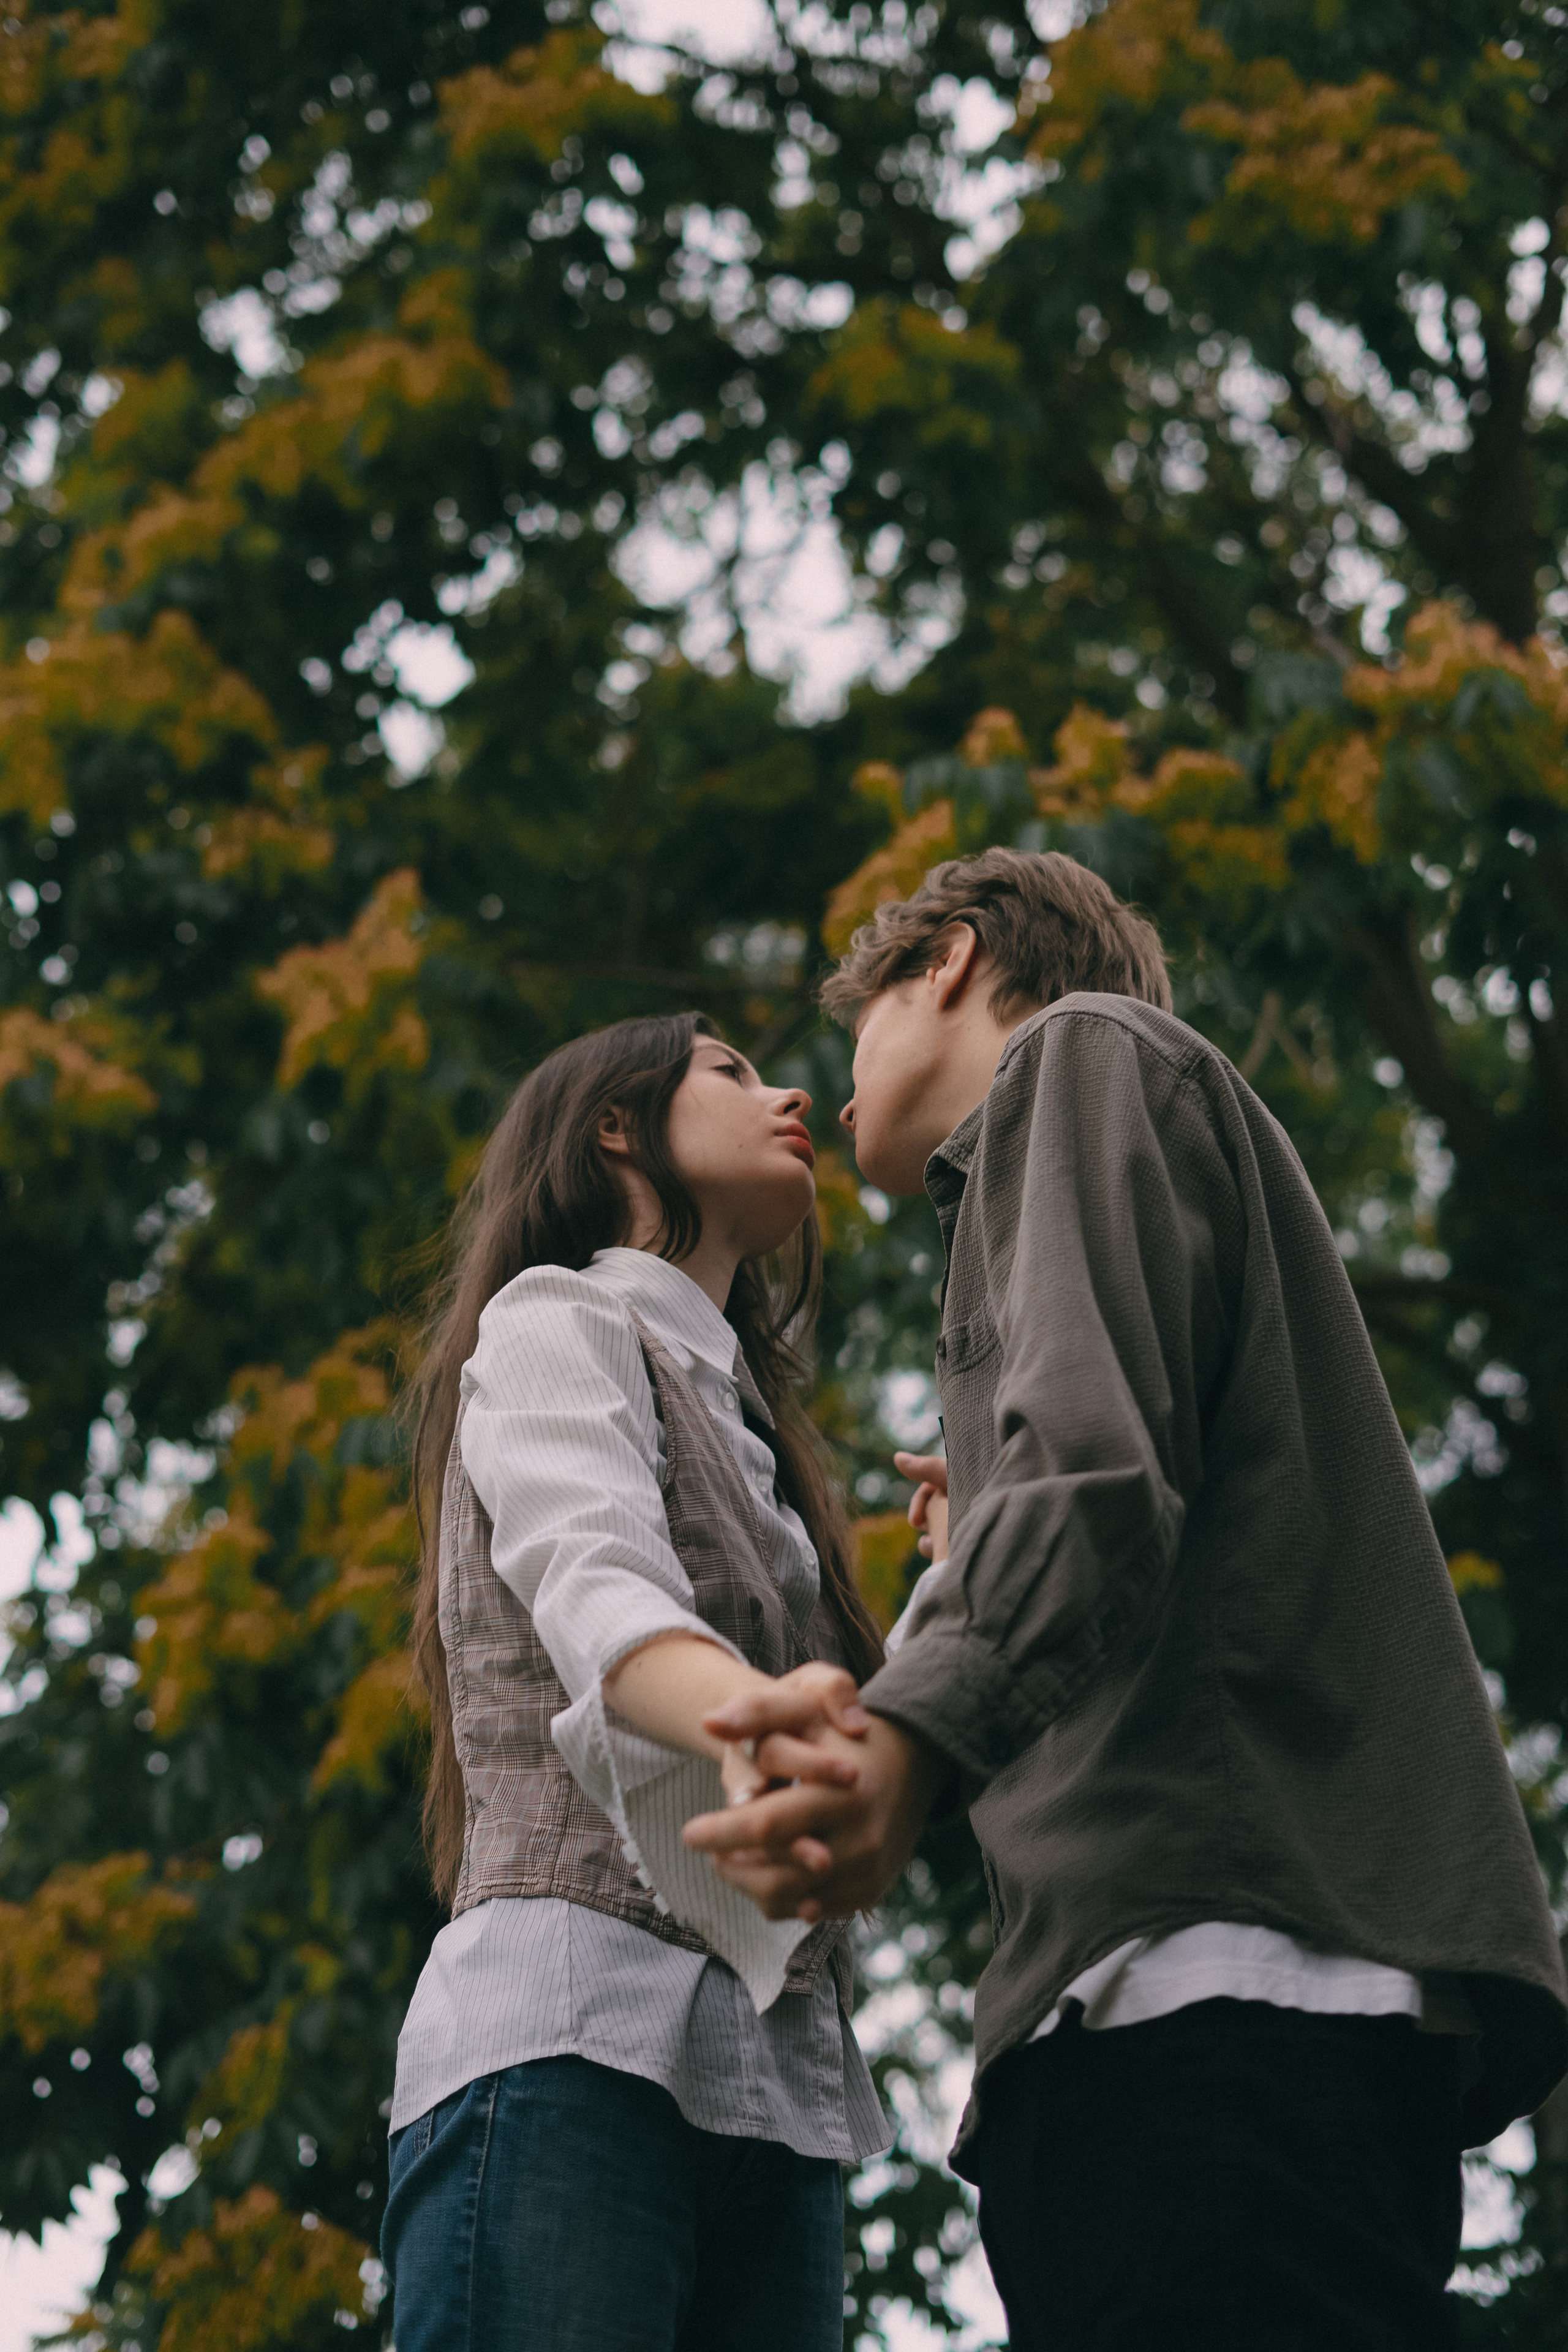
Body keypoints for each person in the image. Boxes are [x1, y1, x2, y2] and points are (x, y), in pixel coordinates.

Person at [685, 847, 1568, 2350]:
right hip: (1214, 2023)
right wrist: (982, 1539)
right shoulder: (1094, 1148)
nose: (832, 1095)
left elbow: (1096, 1478)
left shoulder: (1077, 1058)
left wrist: (903, 1740)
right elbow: (1139, 1497)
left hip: (1205, 2012)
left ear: (951, 959)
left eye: (854, 1029)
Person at [382, 1012, 888, 2351]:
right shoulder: (557, 1316)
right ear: (616, 1125)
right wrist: (746, 1719)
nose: (789, 1093)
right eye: (727, 1070)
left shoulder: (759, 1439)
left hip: (777, 2100)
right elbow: (590, 1575)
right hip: (568, 2046)